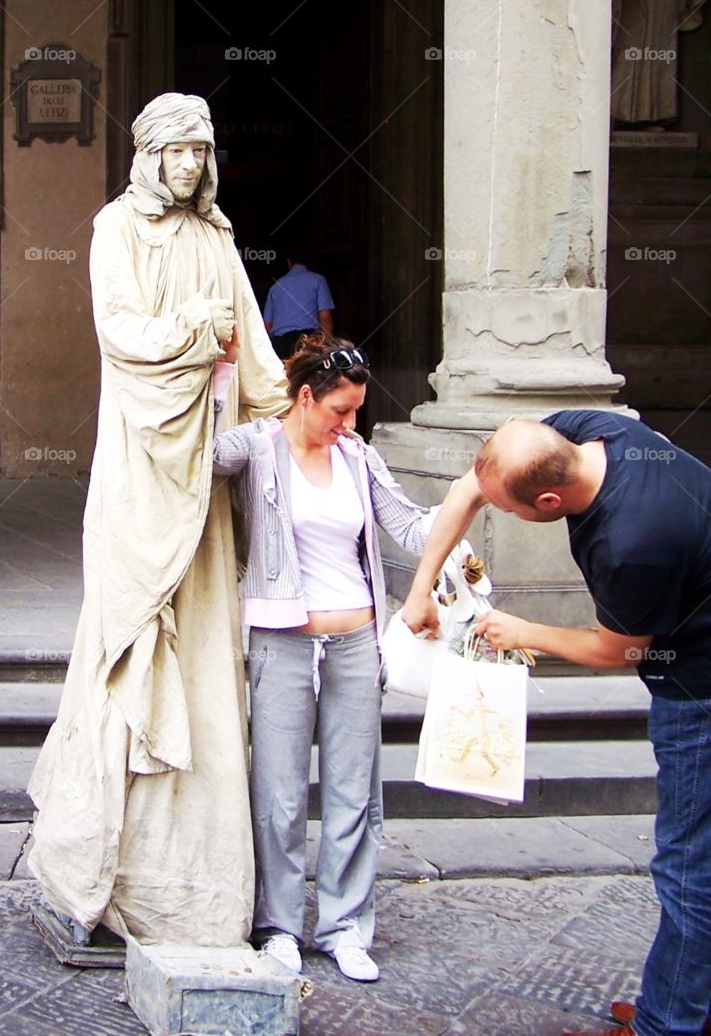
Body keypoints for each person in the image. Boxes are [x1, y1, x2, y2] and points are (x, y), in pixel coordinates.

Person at [27, 93, 289, 951]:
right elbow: (120, 333)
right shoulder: (115, 229)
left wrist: (293, 423)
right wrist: (190, 329)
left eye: (199, 155)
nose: (188, 167)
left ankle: (194, 892)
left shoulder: (217, 239)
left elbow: (251, 347)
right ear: (149, 156)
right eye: (175, 153)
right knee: (130, 628)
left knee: (203, 645)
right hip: (142, 470)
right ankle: (104, 863)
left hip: (203, 479)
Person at [401, 412, 711, 1036]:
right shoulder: (590, 433)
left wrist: (524, 631)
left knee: (686, 867)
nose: (505, 516)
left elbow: (619, 650)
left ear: (548, 499)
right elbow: (470, 487)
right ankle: (684, 1000)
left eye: (512, 512)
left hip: (698, 689)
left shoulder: (632, 543)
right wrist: (421, 586)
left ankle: (668, 1024)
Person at [211, 332, 429, 982]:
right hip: (282, 641)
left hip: (357, 643)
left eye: (356, 411)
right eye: (340, 411)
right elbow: (196, 459)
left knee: (353, 791)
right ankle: (278, 924)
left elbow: (412, 526)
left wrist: (477, 491)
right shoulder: (257, 446)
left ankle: (343, 926)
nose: (348, 424)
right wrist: (220, 368)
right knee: (278, 794)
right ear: (305, 396)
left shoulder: (358, 457)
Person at [263, 252, 335, 358]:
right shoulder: (318, 280)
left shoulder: (275, 287)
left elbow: (267, 325)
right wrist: (327, 348)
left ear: (289, 263)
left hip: (280, 345)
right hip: (308, 343)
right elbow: (325, 317)